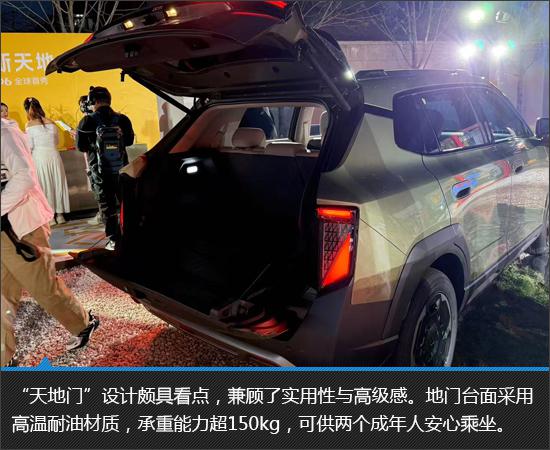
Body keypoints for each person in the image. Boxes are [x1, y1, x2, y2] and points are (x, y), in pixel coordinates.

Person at [1, 116, 99, 367]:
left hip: (22, 229)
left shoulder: (5, 134)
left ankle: (83, 323)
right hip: (6, 229)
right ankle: (4, 356)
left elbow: (24, 177)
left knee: (44, 288)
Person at [75, 86, 134, 249]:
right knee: (126, 203)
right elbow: (129, 141)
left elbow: (81, 147)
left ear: (93, 101)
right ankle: (131, 234)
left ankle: (113, 239)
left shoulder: (87, 121)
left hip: (99, 172)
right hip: (121, 169)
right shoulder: (123, 119)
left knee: (107, 206)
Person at [24, 97, 70, 226]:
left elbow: (30, 146)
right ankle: (60, 216)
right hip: (54, 156)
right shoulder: (51, 122)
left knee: (45, 186)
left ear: (27, 110)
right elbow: (57, 142)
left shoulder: (29, 125)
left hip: (39, 157)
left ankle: (50, 218)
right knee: (57, 183)